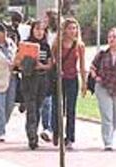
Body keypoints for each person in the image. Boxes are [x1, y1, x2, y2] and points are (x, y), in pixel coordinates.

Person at [89, 27, 116, 151]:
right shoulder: (102, 54)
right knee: (107, 115)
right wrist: (96, 77)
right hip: (103, 87)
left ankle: (111, 134)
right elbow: (92, 67)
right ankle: (108, 142)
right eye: (110, 37)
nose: (112, 39)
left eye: (114, 37)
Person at [51, 17, 87, 150]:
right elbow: (53, 60)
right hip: (59, 79)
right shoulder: (57, 44)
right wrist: (57, 68)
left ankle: (70, 137)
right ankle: (56, 131)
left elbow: (82, 66)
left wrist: (84, 83)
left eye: (75, 28)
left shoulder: (80, 46)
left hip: (72, 79)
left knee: (71, 109)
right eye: (70, 28)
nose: (73, 31)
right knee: (58, 108)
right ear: (64, 30)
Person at [19, 19, 52, 150]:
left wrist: (42, 65)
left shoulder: (46, 46)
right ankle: (32, 136)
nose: (39, 32)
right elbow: (17, 61)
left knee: (37, 107)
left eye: (42, 29)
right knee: (31, 107)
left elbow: (50, 64)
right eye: (37, 29)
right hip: (29, 78)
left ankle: (34, 132)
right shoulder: (26, 44)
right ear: (32, 30)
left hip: (42, 79)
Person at [39, 8, 58, 142]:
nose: (44, 21)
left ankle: (51, 128)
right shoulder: (42, 33)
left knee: (51, 100)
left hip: (54, 70)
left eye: (46, 18)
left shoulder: (57, 34)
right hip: (44, 69)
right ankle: (48, 127)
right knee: (46, 100)